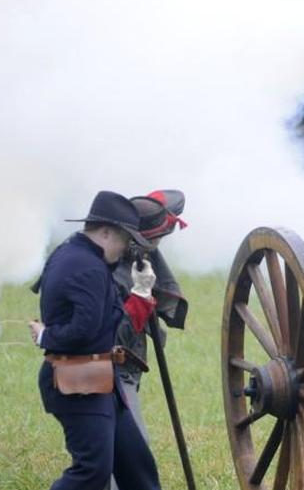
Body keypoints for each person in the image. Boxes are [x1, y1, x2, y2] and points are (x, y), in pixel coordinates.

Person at [28, 191, 162, 490]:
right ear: (104, 232)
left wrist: (140, 292)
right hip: (78, 383)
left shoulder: (74, 255)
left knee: (138, 472)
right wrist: (47, 336)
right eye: (124, 240)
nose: (125, 249)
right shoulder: (87, 267)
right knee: (91, 472)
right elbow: (84, 330)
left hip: (98, 379)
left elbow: (100, 318)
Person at [110, 190, 189, 451]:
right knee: (132, 449)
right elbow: (114, 336)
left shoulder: (131, 252)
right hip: (109, 370)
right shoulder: (111, 270)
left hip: (123, 369)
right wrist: (142, 293)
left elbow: (168, 200)